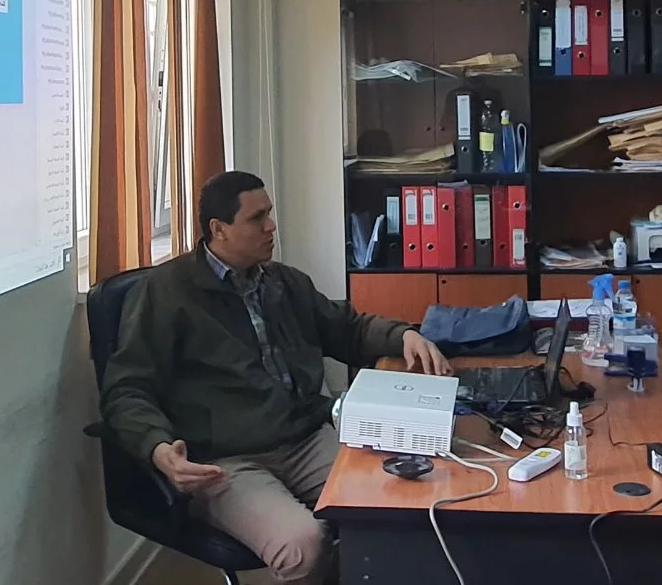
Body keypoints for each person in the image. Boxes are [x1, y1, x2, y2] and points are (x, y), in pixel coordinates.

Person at [101, 171, 452, 585]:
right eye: (257, 218)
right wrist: (158, 448)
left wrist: (404, 335)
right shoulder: (166, 292)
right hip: (226, 461)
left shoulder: (283, 283)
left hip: (305, 438)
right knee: (303, 546)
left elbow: (347, 328)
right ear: (219, 229)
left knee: (403, 503)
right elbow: (127, 388)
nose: (271, 226)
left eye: (269, 214)